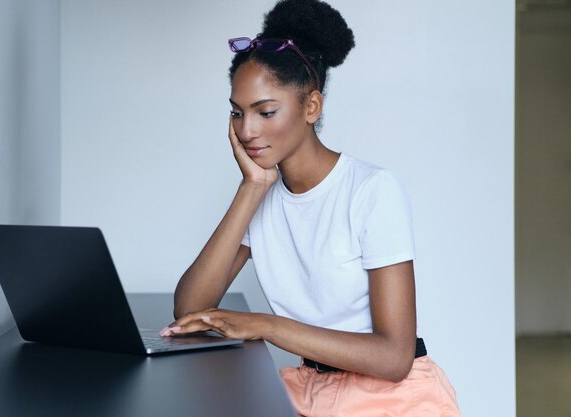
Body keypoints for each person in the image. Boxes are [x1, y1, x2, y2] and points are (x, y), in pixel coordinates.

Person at [162, 0, 461, 415]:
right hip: (309, 392)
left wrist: (265, 326)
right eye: (237, 113)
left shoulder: (372, 190)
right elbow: (189, 310)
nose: (247, 131)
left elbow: (394, 358)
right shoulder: (263, 197)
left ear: (311, 107)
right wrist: (251, 188)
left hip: (392, 399)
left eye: (265, 112)